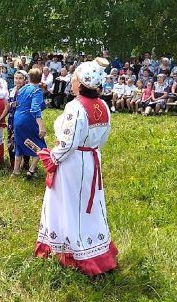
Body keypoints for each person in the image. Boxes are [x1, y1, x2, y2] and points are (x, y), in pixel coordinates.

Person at [35, 57, 118, 277]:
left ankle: (73, 249)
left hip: (72, 163)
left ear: (81, 82)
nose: (71, 82)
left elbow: (68, 143)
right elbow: (103, 138)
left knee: (69, 204)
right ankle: (94, 245)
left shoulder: (75, 106)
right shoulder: (104, 106)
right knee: (88, 205)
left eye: (74, 79)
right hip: (91, 160)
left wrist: (52, 158)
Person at [13, 68, 47, 178]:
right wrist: (41, 126)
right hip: (29, 120)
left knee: (19, 143)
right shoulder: (37, 91)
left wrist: (43, 104)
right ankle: (31, 170)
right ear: (40, 78)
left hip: (17, 119)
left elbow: (21, 103)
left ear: (28, 78)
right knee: (41, 145)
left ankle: (16, 171)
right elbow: (34, 109)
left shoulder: (22, 89)